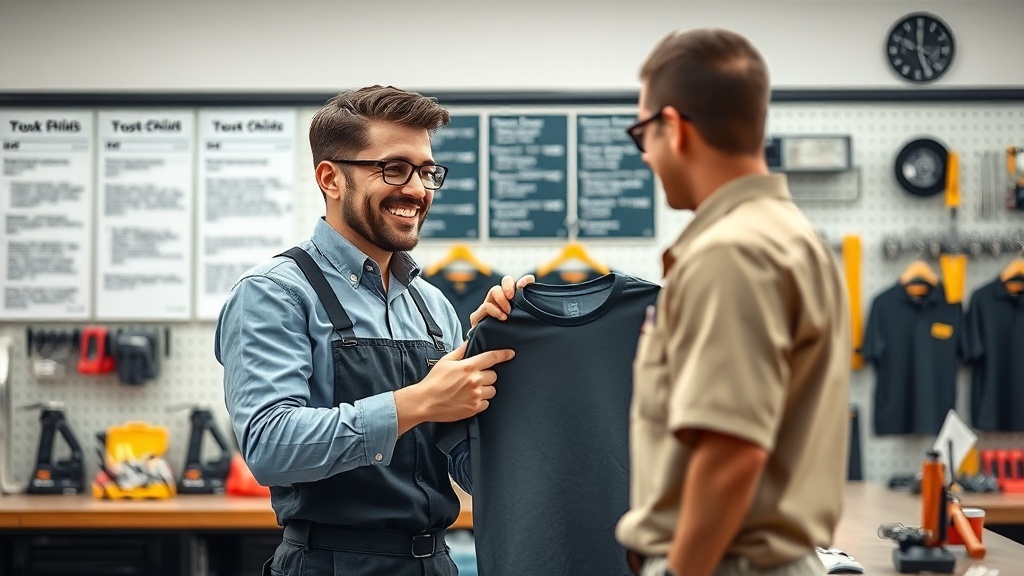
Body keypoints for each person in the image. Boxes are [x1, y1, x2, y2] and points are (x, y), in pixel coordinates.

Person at [215, 85, 530, 576]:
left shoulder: (433, 306)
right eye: (394, 169)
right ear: (330, 178)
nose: (418, 190)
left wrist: (508, 369)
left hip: (434, 563)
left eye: (427, 172)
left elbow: (467, 468)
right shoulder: (275, 294)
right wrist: (420, 401)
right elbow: (270, 447)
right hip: (329, 564)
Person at [615, 29, 851, 576]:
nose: (645, 155)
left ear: (672, 127)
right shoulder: (789, 237)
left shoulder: (731, 253)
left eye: (640, 133)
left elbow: (731, 451)